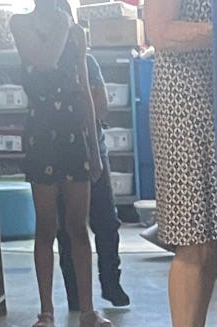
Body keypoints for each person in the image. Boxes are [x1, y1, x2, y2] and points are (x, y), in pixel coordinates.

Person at [10, 0, 113, 327]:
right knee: (45, 226)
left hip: (74, 136)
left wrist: (94, 150)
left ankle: (87, 310)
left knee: (78, 227)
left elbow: (83, 89)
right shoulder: (20, 23)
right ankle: (46, 312)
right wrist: (62, 21)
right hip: (41, 134)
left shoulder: (75, 32)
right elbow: (44, 60)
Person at [142, 0, 217, 327]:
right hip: (181, 105)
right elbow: (160, 31)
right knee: (190, 238)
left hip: (208, 103)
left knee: (210, 242)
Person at [56, 51, 130, 311]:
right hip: (60, 155)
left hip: (94, 149)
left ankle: (111, 283)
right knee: (67, 228)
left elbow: (101, 106)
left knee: (107, 221)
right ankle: (75, 295)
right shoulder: (44, 63)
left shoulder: (86, 61)